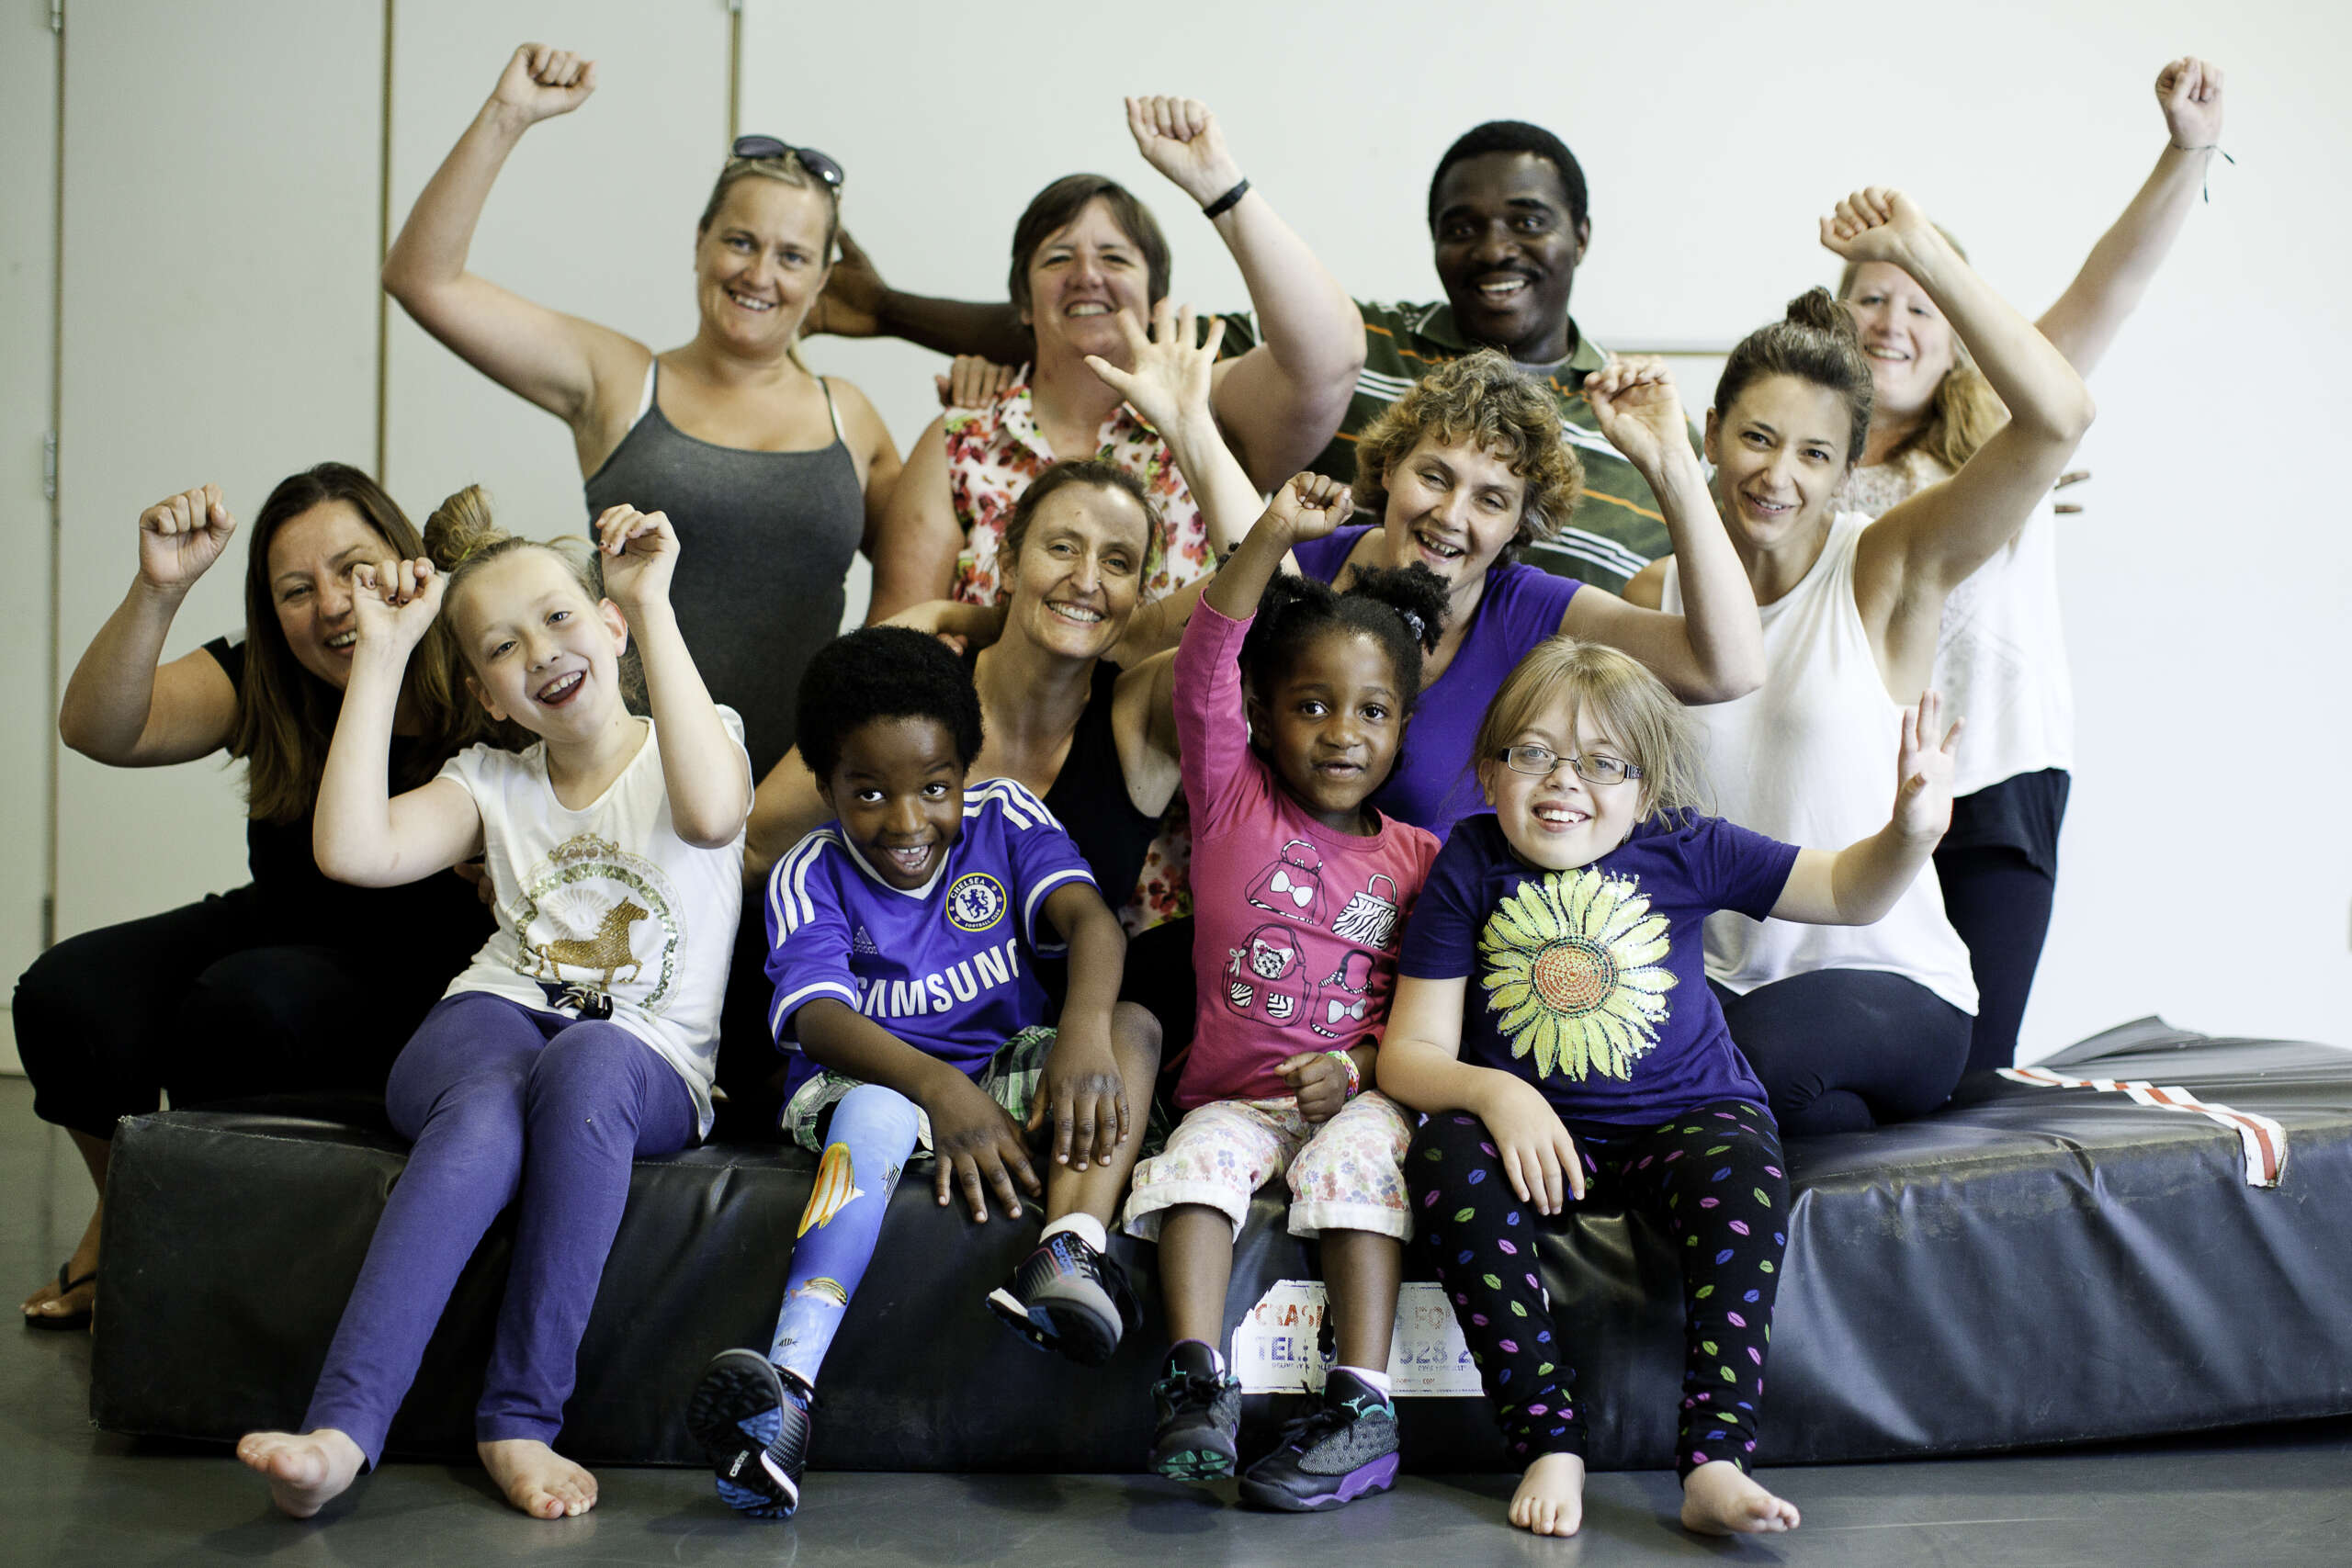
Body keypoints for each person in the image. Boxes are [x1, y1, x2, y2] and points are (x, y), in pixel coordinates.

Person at [236, 491, 752, 1521]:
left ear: (607, 627)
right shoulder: (488, 780)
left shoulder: (699, 734)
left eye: (561, 618)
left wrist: (650, 601)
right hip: (489, 1021)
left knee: (586, 1062)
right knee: (480, 1107)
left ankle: (518, 1417)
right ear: (488, 696)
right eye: (505, 648)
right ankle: (341, 1433)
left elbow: (710, 814)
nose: (544, 653)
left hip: (640, 1055)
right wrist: (380, 656)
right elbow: (351, 851)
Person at [1376, 637, 1962, 1539]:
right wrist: (1498, 1094)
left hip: (1683, 1120)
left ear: (1644, 789)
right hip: (1531, 1139)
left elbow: (1847, 891)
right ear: (1491, 772)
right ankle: (1547, 1438)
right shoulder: (1472, 862)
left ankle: (1714, 1457)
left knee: (1744, 1168)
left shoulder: (1683, 848)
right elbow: (1410, 1053)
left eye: (1601, 763)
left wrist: (1908, 834)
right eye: (1532, 753)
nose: (1564, 781)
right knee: (1444, 1155)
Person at [1626, 191, 2096, 1134]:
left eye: (1812, 453)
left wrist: (1922, 257)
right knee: (1805, 1113)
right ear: (1710, 433)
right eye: (1756, 439)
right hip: (1720, 986)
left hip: (1886, 987)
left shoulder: (1883, 566)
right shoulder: (1650, 598)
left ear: (1846, 470)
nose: (1777, 475)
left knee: (1747, 1071)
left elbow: (2055, 419)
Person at [689, 627, 1159, 1518]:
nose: (907, 823)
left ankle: (1068, 1253)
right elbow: (820, 1021)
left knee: (1132, 1028)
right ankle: (785, 1396)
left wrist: (1083, 1032)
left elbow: (1092, 922)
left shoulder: (1007, 816)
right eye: (868, 793)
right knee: (872, 1108)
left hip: (1003, 1066)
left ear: (966, 773)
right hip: (868, 1086)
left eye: (935, 789)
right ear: (825, 789)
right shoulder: (809, 873)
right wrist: (939, 1091)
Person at [17, 466, 492, 1331]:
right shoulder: (267, 674)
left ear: (409, 561)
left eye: (355, 566)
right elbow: (96, 727)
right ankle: (125, 1205)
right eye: (296, 590)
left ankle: (201, 1242)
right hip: (282, 919)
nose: (335, 604)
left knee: (238, 1009)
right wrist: (159, 591)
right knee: (67, 992)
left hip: (425, 970)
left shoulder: (475, 663)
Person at [815, 119, 1676, 593]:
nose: (1495, 248)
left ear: (1582, 235)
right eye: (1462, 227)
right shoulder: (1370, 342)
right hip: (1346, 756)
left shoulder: (1634, 423)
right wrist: (895, 312)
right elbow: (1103, 333)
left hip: (1557, 800)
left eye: (1527, 220)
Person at [1836, 58, 2225, 1071]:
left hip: (1997, 775)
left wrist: (2185, 150)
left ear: (1961, 331)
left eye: (1923, 303)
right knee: (1871, 1068)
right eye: (1871, 298)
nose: (1892, 322)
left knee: (1973, 1068)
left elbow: (2115, 284)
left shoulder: (2009, 427)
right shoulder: (1791, 472)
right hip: (1848, 797)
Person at [382, 41, 903, 779]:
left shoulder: (849, 415)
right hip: (628, 796)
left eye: (792, 256)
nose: (760, 273)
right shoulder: (622, 381)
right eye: (740, 241)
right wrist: (509, 115)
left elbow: (934, 579)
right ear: (699, 245)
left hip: (808, 799)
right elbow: (422, 279)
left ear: (823, 280)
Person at [1121, 476, 1444, 1511]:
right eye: (1310, 706)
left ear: (1402, 727)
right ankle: (1195, 1383)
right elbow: (1210, 654)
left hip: (1359, 1095)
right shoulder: (1233, 803)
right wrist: (1271, 531)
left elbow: (1437, 1007)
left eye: (1371, 711)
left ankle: (1361, 1406)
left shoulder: (1420, 859)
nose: (1342, 732)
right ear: (1261, 717)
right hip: (1231, 1093)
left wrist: (1354, 1067)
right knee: (1193, 1164)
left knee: (1356, 1163)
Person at [865, 96, 1363, 619]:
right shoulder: (964, 438)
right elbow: (895, 639)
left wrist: (1220, 187)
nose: (1086, 274)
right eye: (1058, 257)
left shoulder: (1207, 406)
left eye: (1114, 257)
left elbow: (1332, 358)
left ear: (1154, 298)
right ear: (1023, 303)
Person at [1282, 349, 1763, 842]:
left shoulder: (1532, 613)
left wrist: (1671, 464)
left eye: (1491, 501)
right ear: (1389, 467)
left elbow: (1729, 668)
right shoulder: (1301, 559)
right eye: (1433, 477)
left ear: (1519, 524)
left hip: (1443, 917)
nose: (1451, 515)